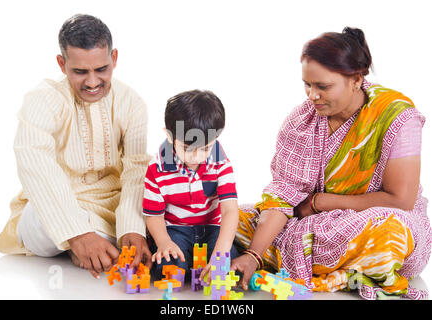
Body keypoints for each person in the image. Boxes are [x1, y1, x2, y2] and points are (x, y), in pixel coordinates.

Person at [231, 27, 432, 299]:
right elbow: (281, 196)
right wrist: (253, 254)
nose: (311, 95)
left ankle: (311, 265)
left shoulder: (396, 115)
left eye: (322, 87)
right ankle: (341, 270)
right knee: (232, 218)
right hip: (308, 224)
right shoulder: (302, 121)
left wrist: (321, 202)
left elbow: (401, 201)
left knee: (392, 232)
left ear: (356, 79)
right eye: (307, 84)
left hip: (370, 221)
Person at [0, 14, 152, 279]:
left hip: (109, 210)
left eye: (101, 69)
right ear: (62, 63)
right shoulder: (42, 100)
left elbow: (136, 171)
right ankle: (80, 242)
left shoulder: (132, 103)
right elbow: (35, 164)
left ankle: (91, 244)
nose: (92, 82)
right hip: (56, 201)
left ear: (114, 59)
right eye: (80, 71)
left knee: (158, 217)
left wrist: (132, 228)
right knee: (42, 218)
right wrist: (77, 232)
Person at [143, 90, 239, 281]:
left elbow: (230, 209)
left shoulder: (221, 162)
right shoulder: (157, 168)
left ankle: (201, 265)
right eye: (187, 149)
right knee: (169, 268)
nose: (197, 157)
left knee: (227, 265)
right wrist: (163, 242)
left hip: (211, 228)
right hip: (175, 230)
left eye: (205, 148)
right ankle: (187, 265)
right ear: (170, 136)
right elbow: (153, 214)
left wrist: (221, 250)